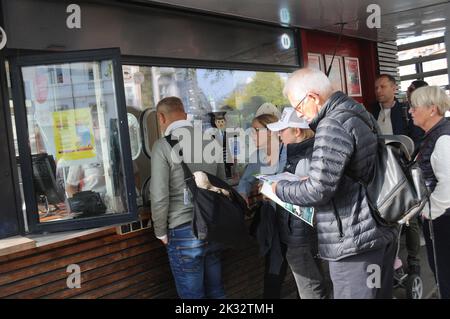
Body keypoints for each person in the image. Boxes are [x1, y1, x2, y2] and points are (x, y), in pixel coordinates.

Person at [271, 68, 397, 299]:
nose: (300, 114)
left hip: (354, 244)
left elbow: (318, 190)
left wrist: (278, 188)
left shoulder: (332, 123)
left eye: (298, 107)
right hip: (376, 234)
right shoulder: (358, 113)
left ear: (312, 97)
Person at [150, 96, 226, 299]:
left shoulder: (162, 146)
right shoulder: (211, 141)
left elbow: (158, 196)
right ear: (184, 114)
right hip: (212, 225)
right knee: (217, 291)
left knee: (193, 297)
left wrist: (160, 232)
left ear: (161, 118)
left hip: (183, 228)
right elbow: (222, 185)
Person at [266, 107, 330, 299]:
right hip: (300, 232)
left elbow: (313, 194)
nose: (278, 133)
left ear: (297, 131)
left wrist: (278, 188)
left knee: (310, 288)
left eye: (282, 130)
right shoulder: (301, 153)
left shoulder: (307, 157)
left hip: (301, 235)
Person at [371, 74, 424, 276]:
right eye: (376, 87)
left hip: (402, 168)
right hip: (380, 171)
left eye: (382, 86)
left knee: (408, 215)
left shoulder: (405, 111)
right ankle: (391, 261)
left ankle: (414, 259)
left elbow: (417, 139)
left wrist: (403, 154)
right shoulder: (371, 110)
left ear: (394, 88)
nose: (378, 91)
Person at [236, 112, 288, 299]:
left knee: (298, 266)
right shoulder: (258, 156)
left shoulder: (287, 151)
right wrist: (243, 193)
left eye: (256, 130)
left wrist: (273, 189)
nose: (252, 134)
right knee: (274, 266)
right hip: (271, 219)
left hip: (291, 220)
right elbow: (245, 180)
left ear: (271, 131)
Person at [409, 86, 450, 299]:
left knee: (444, 273)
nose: (410, 111)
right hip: (440, 216)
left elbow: (449, 184)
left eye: (414, 107)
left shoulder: (442, 138)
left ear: (432, 109)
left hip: (442, 219)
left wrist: (431, 210)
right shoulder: (437, 134)